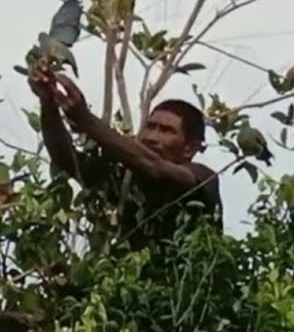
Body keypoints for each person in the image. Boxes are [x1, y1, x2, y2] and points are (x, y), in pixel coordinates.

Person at [29, 70, 222, 248]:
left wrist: (84, 119)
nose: (151, 137)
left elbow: (156, 168)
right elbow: (66, 160)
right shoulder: (125, 179)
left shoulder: (203, 178)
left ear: (190, 148)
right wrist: (48, 102)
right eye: (150, 126)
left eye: (166, 131)